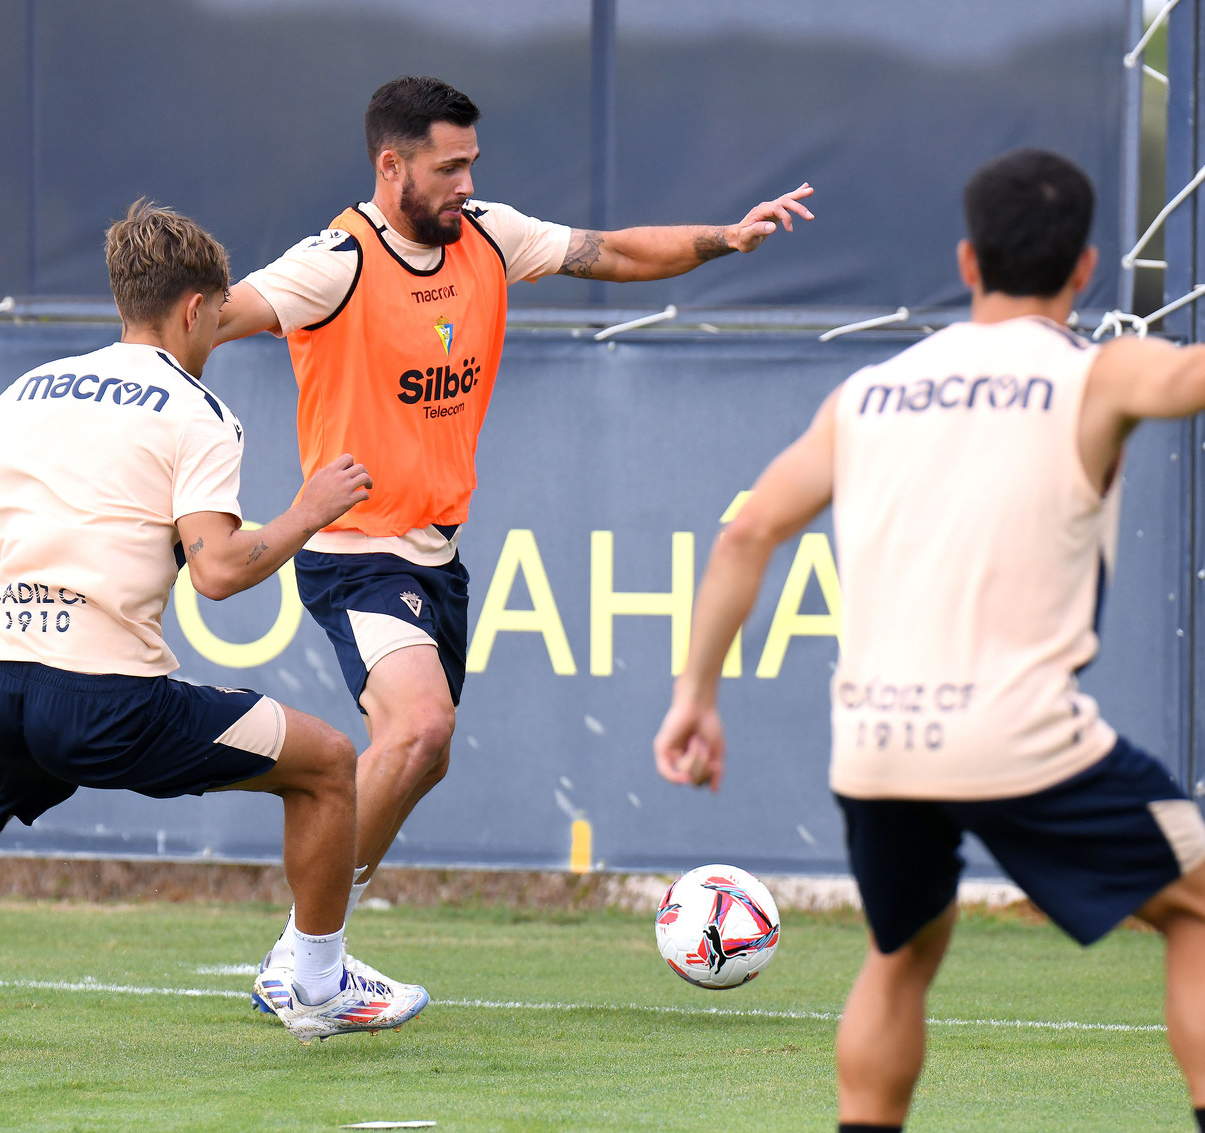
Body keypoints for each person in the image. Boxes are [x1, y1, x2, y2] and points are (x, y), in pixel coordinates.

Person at [654, 148, 1205, 1133]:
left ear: (967, 261)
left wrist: (695, 695)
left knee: (900, 953)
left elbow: (746, 534)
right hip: (1016, 735)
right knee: (1203, 909)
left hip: (876, 743)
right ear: (1085, 268)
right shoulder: (1094, 373)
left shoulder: (868, 393)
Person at [210, 75, 817, 1012]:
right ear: (391, 165)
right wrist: (155, 403)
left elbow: (613, 251)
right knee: (420, 728)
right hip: (355, 548)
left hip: (437, 553)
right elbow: (211, 318)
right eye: (447, 167)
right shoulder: (335, 262)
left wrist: (724, 237)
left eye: (471, 164)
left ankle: (304, 953)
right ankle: (307, 968)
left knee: (425, 754)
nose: (465, 182)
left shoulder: (489, 233)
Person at [0, 200, 427, 1050]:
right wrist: (307, 511)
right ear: (194, 308)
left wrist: (33, 615)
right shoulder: (198, 411)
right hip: (108, 703)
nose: (219, 328)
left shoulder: (24, 391)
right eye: (220, 312)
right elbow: (218, 572)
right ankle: (319, 987)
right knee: (327, 763)